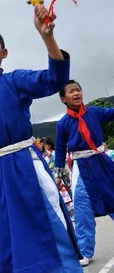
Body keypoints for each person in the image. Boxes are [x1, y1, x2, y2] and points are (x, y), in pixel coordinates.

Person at [0, 4, 83, 273]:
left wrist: (47, 37)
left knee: (46, 229)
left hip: (22, 167)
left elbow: (54, 79)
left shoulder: (14, 81)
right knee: (2, 238)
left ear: (3, 53)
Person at [55, 79, 114, 267]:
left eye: (78, 90)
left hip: (101, 162)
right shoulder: (63, 123)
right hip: (81, 168)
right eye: (71, 91)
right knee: (82, 210)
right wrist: (58, 174)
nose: (76, 93)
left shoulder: (95, 112)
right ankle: (85, 251)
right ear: (64, 99)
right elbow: (59, 150)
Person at [44, 138, 74, 221]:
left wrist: (60, 177)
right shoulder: (46, 157)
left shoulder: (54, 154)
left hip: (59, 177)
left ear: (49, 145)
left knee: (65, 197)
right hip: (53, 178)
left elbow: (62, 165)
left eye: (45, 145)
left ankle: (72, 214)